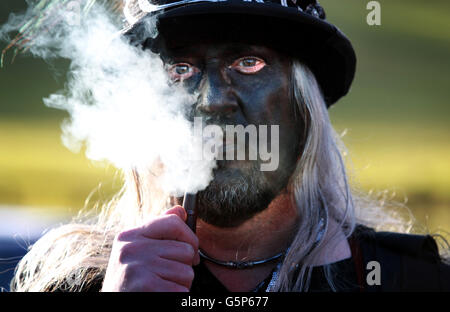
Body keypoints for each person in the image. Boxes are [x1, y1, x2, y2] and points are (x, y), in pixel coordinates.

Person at [9, 0, 450, 292]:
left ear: (304, 103)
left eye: (249, 62)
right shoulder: (81, 282)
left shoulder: (406, 279)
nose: (214, 101)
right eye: (180, 69)